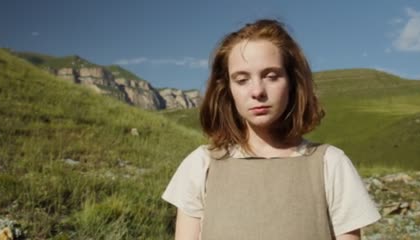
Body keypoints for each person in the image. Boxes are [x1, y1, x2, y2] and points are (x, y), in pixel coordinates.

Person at [162, 19, 380, 240]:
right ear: (227, 89)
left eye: (271, 76)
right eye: (242, 79)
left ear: (293, 82)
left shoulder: (330, 164)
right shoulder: (201, 166)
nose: (257, 91)